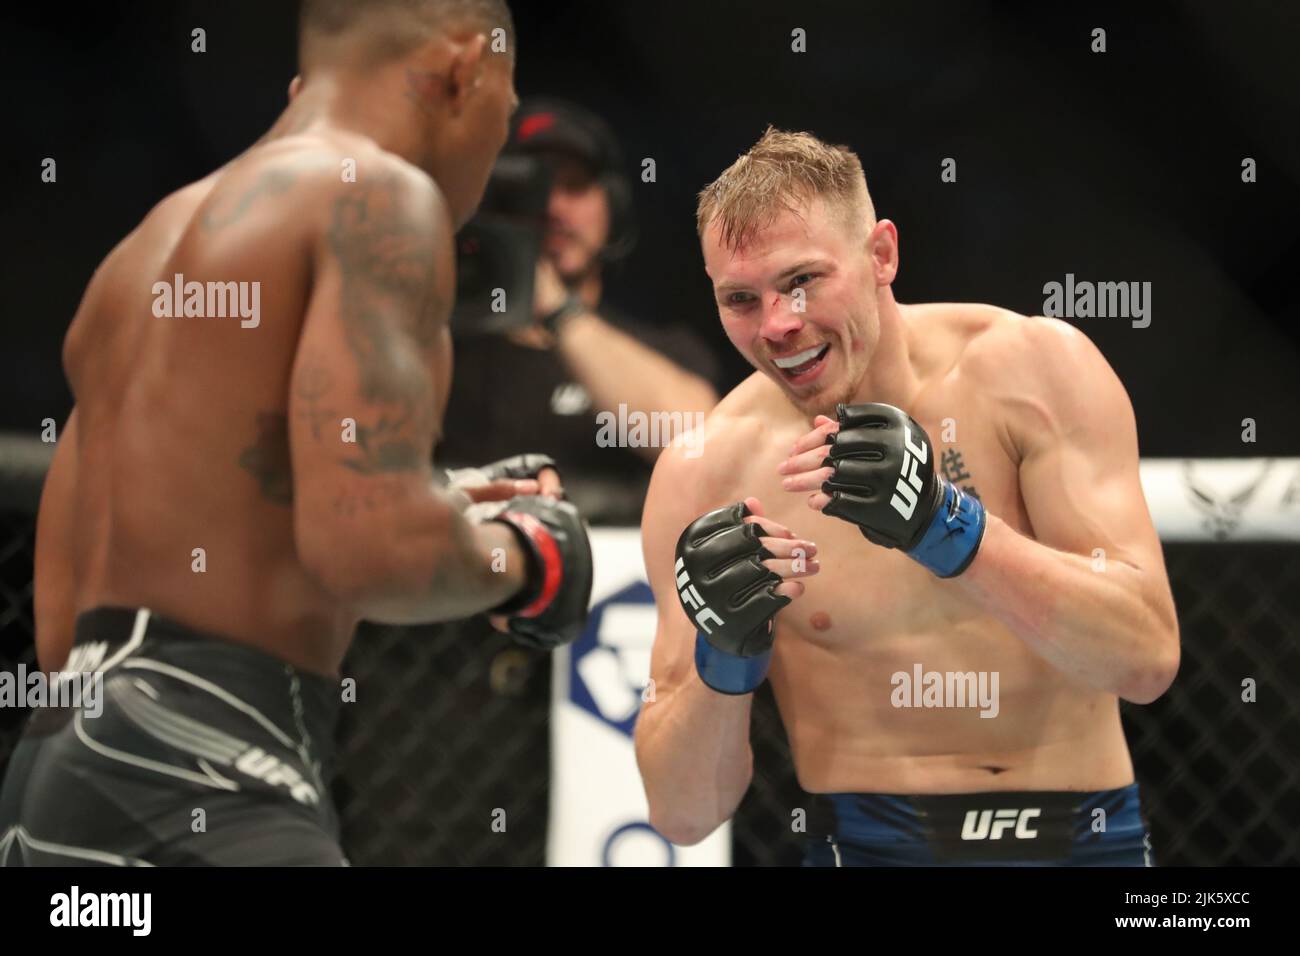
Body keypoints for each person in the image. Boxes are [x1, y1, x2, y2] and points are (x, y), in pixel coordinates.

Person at [0, 0, 592, 867]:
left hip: (57, 780)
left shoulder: (141, 252)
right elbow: (371, 544)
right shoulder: (380, 198)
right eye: (503, 119)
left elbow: (65, 622)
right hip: (206, 772)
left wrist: (440, 504)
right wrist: (524, 557)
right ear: (465, 70)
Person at [636, 127, 1180, 866]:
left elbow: (1145, 658)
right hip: (863, 847)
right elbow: (682, 811)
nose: (777, 326)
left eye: (802, 281)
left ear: (881, 254)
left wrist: (944, 525)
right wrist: (722, 654)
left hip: (1084, 843)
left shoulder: (1033, 372)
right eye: (740, 298)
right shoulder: (707, 470)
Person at [439, 98, 719, 524]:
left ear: (614, 207)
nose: (554, 208)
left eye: (574, 186)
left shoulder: (665, 349)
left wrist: (557, 311)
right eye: (532, 191)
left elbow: (702, 446)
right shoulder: (444, 352)